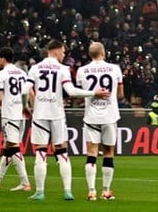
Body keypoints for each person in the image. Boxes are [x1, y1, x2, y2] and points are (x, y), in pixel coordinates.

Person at [26, 38, 109, 202]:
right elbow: (70, 91)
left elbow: (24, 90)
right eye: (63, 51)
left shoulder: (35, 68)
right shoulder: (62, 69)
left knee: (41, 152)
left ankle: (40, 192)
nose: (64, 54)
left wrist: (25, 107)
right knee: (62, 152)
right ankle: (67, 191)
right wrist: (93, 93)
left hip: (40, 114)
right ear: (55, 50)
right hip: (57, 114)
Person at [76, 41, 124, 201]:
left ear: (90, 54)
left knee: (91, 154)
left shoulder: (82, 70)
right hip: (110, 116)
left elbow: (78, 95)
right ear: (103, 52)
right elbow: (121, 95)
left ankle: (91, 191)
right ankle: (106, 191)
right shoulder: (115, 69)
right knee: (109, 153)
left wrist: (92, 95)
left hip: (91, 116)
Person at [0, 47, 31, 192]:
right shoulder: (22, 73)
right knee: (8, 148)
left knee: (13, 148)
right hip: (21, 114)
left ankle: (25, 182)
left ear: (2, 58)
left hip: (10, 114)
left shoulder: (1, 74)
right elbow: (28, 93)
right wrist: (28, 107)